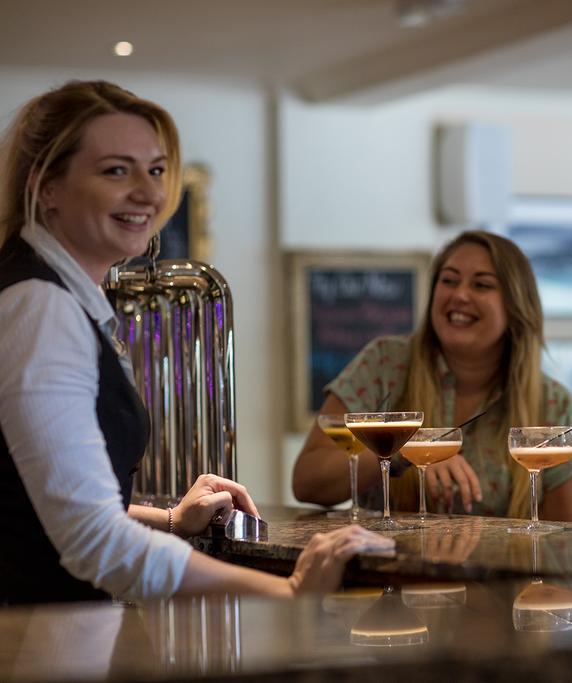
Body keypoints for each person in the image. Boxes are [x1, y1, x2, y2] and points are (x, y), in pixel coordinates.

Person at [0, 80, 393, 605]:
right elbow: (96, 542)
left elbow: (46, 498)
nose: (150, 192)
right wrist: (289, 593)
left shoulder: (47, 293)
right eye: (117, 170)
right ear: (46, 186)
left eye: (157, 170)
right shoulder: (40, 306)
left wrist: (169, 519)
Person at [293, 230, 572, 521]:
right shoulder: (384, 364)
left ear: (516, 305)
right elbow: (308, 482)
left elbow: (569, 544)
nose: (460, 295)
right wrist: (404, 451)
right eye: (448, 280)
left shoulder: (554, 405)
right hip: (386, 572)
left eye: (481, 285)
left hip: (505, 575)